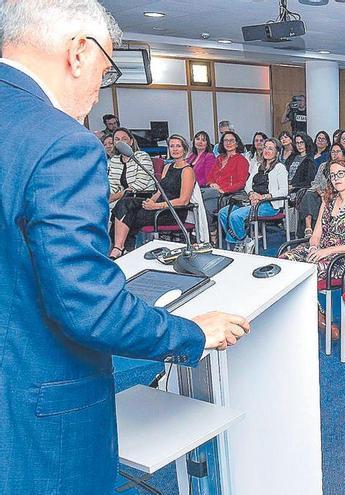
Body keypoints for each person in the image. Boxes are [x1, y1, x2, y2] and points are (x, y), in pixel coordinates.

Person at [0, 3, 248, 492]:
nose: (100, 90)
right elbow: (87, 308)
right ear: (78, 51)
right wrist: (192, 333)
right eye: (106, 70)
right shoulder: (61, 142)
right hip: (36, 409)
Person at [281, 158, 345, 336]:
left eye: (341, 174)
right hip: (321, 250)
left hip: (341, 258)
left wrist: (327, 251)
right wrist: (314, 247)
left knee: (305, 271)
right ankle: (316, 314)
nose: (336, 178)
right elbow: (316, 235)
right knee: (284, 261)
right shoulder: (327, 201)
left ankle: (315, 318)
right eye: (333, 175)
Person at [109, 134, 196, 257]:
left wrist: (156, 206)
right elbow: (160, 190)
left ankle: (119, 248)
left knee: (129, 214)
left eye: (178, 146)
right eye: (172, 146)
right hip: (158, 205)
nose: (175, 149)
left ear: (184, 149)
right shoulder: (167, 167)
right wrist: (150, 201)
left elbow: (183, 201)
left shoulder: (187, 170)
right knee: (125, 202)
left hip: (172, 211)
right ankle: (120, 247)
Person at [218, 138, 288, 251]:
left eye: (270, 149)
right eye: (265, 147)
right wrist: (251, 194)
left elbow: (284, 191)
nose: (267, 150)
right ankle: (245, 240)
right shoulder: (258, 165)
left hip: (269, 204)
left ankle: (241, 243)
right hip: (252, 201)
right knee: (223, 213)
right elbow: (247, 184)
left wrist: (262, 197)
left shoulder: (280, 168)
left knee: (235, 216)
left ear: (277, 152)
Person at [202, 131, 249, 240]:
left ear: (237, 144)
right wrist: (212, 184)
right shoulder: (219, 159)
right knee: (200, 202)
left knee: (201, 202)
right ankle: (211, 233)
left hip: (228, 195)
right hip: (214, 192)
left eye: (231, 140)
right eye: (226, 140)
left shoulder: (241, 160)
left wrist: (223, 189)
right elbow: (209, 177)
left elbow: (241, 183)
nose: (228, 143)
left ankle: (210, 234)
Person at [299, 143, 343, 237]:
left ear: (343, 153)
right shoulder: (323, 166)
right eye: (333, 152)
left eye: (338, 151)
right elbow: (315, 182)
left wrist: (327, 193)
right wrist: (320, 192)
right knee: (309, 194)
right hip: (321, 193)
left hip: (336, 194)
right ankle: (308, 227)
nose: (335, 154)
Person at [107, 127, 153, 209]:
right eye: (117, 139)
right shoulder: (114, 160)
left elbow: (141, 184)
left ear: (131, 142)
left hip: (142, 197)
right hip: (122, 198)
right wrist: (107, 196)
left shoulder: (142, 156)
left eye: (124, 139)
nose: (120, 142)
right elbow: (112, 184)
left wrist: (116, 196)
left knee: (119, 206)